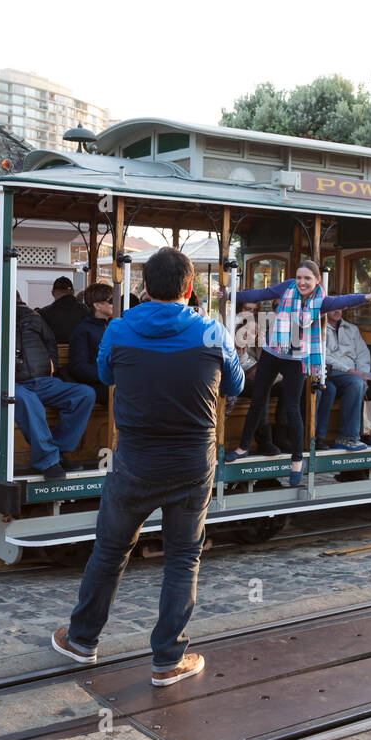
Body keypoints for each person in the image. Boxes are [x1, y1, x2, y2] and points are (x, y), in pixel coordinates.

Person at [51, 247, 243, 688]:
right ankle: (168, 660)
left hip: (135, 461)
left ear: (142, 287)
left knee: (110, 550)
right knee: (182, 557)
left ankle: (81, 641)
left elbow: (105, 375)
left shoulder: (118, 330)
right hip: (193, 463)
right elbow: (235, 382)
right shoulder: (212, 332)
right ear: (189, 288)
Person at [222, 261, 371, 487]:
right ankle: (242, 447)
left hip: (296, 357)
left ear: (317, 280)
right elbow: (261, 293)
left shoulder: (322, 301)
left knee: (292, 407)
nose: (302, 282)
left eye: (307, 278)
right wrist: (232, 293)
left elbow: (344, 300)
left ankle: (297, 460)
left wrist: (368, 297)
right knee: (258, 401)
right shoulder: (287, 288)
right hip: (273, 352)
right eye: (299, 277)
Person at [13, 295, 96, 480]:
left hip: (43, 380)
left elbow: (50, 341)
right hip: (12, 384)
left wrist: (52, 367)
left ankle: (58, 452)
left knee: (84, 394)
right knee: (29, 401)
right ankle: (48, 462)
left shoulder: (34, 317)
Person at [315, 301, 371, 451]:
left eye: (340, 306)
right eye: (333, 306)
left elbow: (362, 354)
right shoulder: (318, 328)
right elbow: (323, 356)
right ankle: (347, 437)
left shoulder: (351, 329)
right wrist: (350, 371)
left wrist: (363, 374)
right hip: (333, 372)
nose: (338, 309)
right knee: (355, 383)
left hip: (356, 373)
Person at [226, 302, 284, 456]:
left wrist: (260, 345)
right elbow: (242, 363)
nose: (250, 313)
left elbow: (266, 360)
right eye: (247, 309)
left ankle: (282, 436)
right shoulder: (230, 329)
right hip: (234, 379)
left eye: (254, 310)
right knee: (262, 387)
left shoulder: (258, 331)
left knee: (288, 385)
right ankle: (264, 441)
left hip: (254, 376)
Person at [67, 282, 115, 405]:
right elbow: (79, 367)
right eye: (111, 300)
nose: (115, 304)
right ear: (97, 305)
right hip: (97, 385)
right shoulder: (83, 331)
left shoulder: (114, 326)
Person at [40, 276, 88, 343]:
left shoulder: (44, 313)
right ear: (73, 292)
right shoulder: (86, 311)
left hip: (54, 352)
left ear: (53, 293)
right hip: (81, 351)